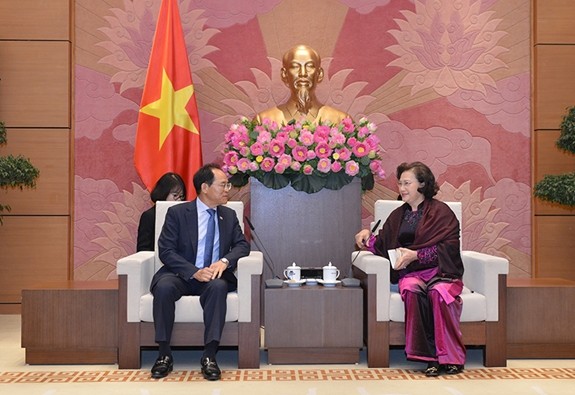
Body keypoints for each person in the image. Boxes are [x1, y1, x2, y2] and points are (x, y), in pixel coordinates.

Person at [354, 162, 465, 377]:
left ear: (422, 184)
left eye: (407, 183)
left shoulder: (442, 212)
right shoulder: (397, 215)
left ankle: (451, 358)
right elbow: (383, 244)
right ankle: (430, 358)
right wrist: (366, 237)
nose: (402, 188)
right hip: (411, 274)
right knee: (411, 290)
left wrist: (417, 255)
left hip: (441, 272)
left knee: (438, 294)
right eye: (400, 183)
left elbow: (449, 247)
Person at [149, 163, 250, 381]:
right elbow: (166, 250)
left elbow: (243, 245)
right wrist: (194, 272)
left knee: (219, 286)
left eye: (228, 185)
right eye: (223, 185)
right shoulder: (177, 213)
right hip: (180, 275)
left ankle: (209, 355)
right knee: (164, 288)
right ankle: (164, 354)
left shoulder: (229, 215)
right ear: (205, 187)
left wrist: (224, 261)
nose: (228, 190)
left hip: (213, 277)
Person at [256, 44, 349, 125]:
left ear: (319, 74)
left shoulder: (341, 121)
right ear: (284, 74)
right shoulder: (263, 121)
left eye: (310, 66)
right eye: (295, 66)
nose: (303, 73)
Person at [137, 172, 186, 252]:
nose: (179, 200)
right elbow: (143, 249)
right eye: (175, 195)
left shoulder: (184, 214)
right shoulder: (149, 216)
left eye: (181, 196)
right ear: (163, 193)